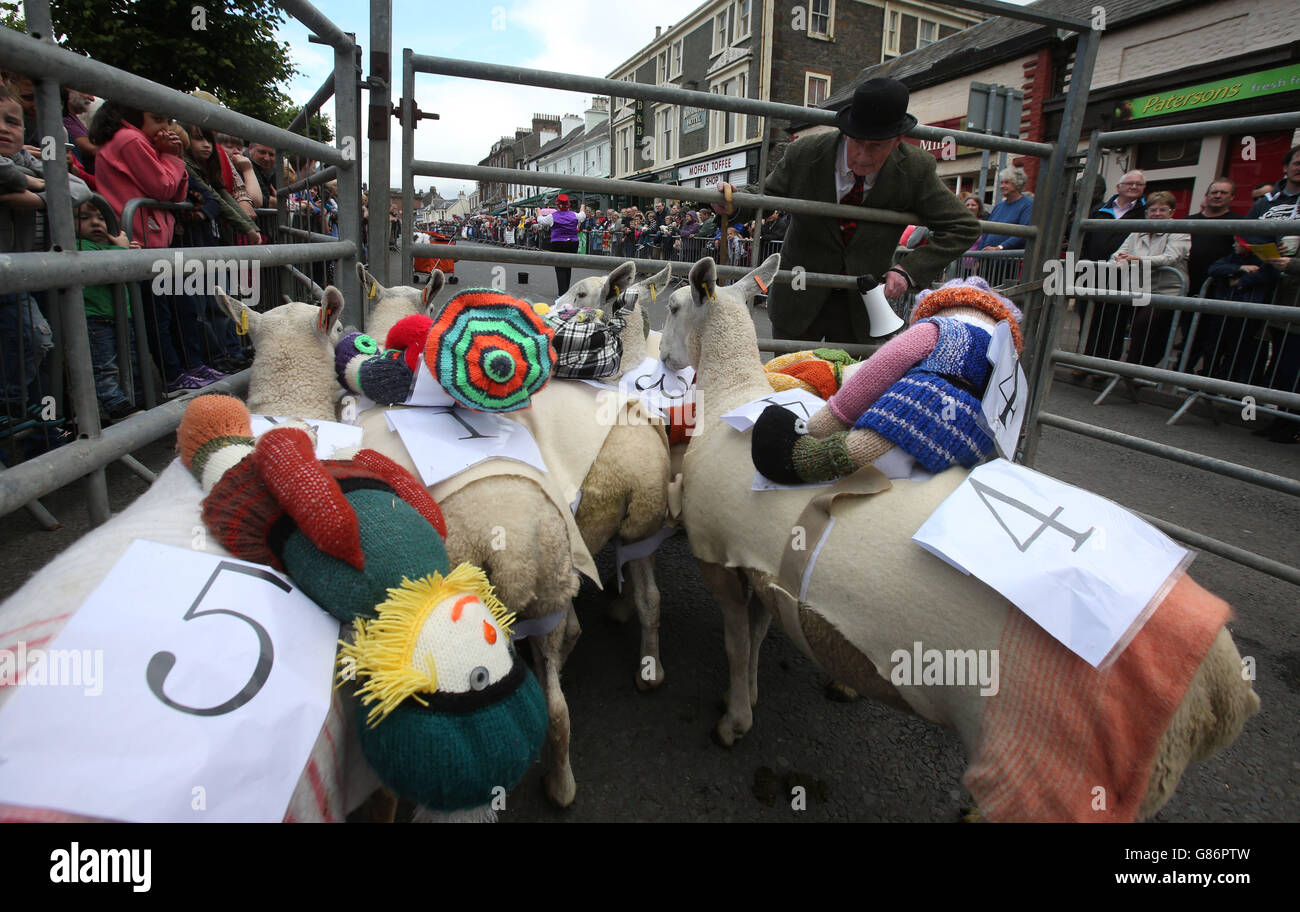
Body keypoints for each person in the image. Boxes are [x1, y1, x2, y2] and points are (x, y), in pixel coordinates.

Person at [716, 77, 979, 344]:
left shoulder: (915, 168)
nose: (863, 156)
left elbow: (963, 226)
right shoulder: (805, 154)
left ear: (898, 139)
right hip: (799, 297)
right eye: (857, 142)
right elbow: (767, 196)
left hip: (861, 308)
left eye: (876, 145)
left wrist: (908, 270)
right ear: (845, 132)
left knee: (849, 384)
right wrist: (734, 202)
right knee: (791, 381)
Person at [74, 200, 145, 423]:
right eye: (84, 218)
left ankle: (127, 401)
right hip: (95, 318)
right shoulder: (76, 246)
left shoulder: (108, 244)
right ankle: (114, 404)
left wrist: (132, 253)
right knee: (103, 367)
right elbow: (101, 264)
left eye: (101, 218)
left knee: (129, 362)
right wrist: (121, 250)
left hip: (121, 316)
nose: (95, 223)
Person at [1110, 191, 1190, 367]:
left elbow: (1170, 257)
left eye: (1163, 210)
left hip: (1167, 289)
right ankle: (1136, 367)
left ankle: (1132, 368)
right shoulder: (1138, 232)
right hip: (1140, 287)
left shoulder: (1179, 231)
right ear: (1147, 213)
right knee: (1139, 328)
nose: (1157, 214)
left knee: (1143, 325)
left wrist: (1136, 259)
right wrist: (1118, 258)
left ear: (1171, 212)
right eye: (1153, 210)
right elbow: (1119, 252)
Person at [1078, 170, 1148, 361]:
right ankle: (1084, 359)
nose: (1134, 187)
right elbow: (1085, 237)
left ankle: (1106, 363)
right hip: (1094, 269)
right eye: (1129, 183)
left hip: (1124, 273)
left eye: (1138, 184)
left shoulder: (1146, 212)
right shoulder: (1101, 210)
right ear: (1118, 187)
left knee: (1115, 319)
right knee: (1088, 317)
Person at [537, 193, 584, 294]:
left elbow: (541, 221)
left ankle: (562, 293)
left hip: (558, 243)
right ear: (568, 204)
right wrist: (582, 208)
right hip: (572, 243)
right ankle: (566, 291)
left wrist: (538, 212)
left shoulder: (552, 216)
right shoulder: (574, 215)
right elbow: (582, 216)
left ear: (557, 205)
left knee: (559, 267)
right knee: (568, 266)